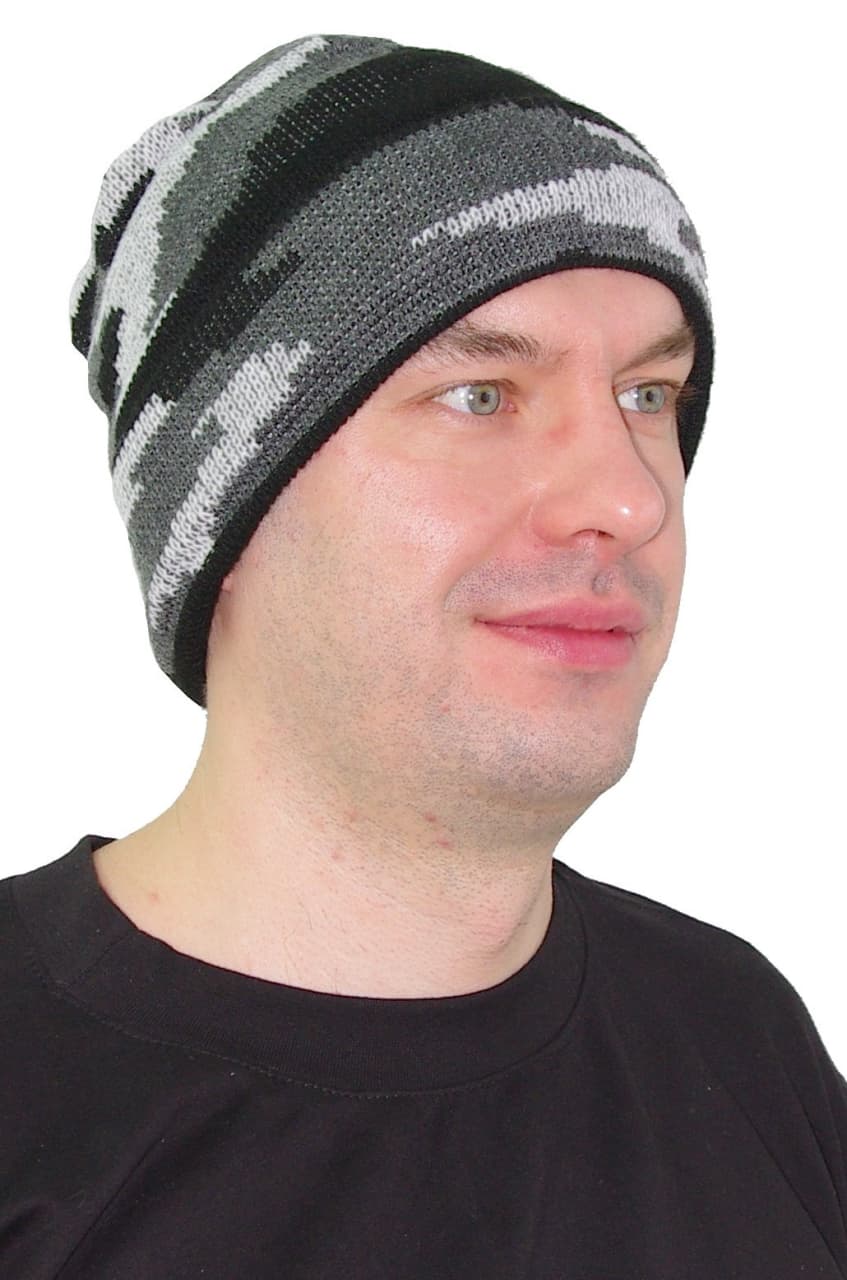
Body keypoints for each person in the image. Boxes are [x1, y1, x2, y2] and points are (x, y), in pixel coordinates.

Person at [1, 31, 845, 1278]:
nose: (629, 498)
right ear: (222, 514)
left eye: (647, 395)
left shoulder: (735, 1033)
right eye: (480, 395)